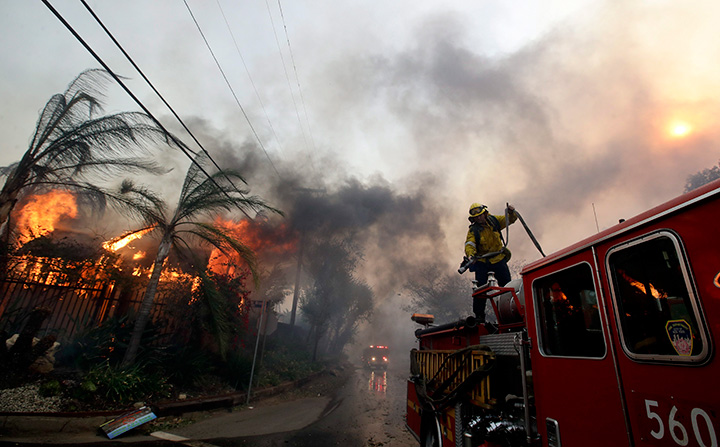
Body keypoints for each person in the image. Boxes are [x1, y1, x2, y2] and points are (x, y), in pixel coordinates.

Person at [464, 203, 517, 321]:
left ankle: (511, 311)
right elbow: (469, 244)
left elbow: (510, 220)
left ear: (485, 214)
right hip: (482, 262)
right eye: (476, 217)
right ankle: (479, 316)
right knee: (480, 290)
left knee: (507, 286)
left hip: (498, 259)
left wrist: (511, 212)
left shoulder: (494, 221)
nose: (478, 218)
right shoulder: (473, 231)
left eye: (480, 215)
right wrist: (470, 255)